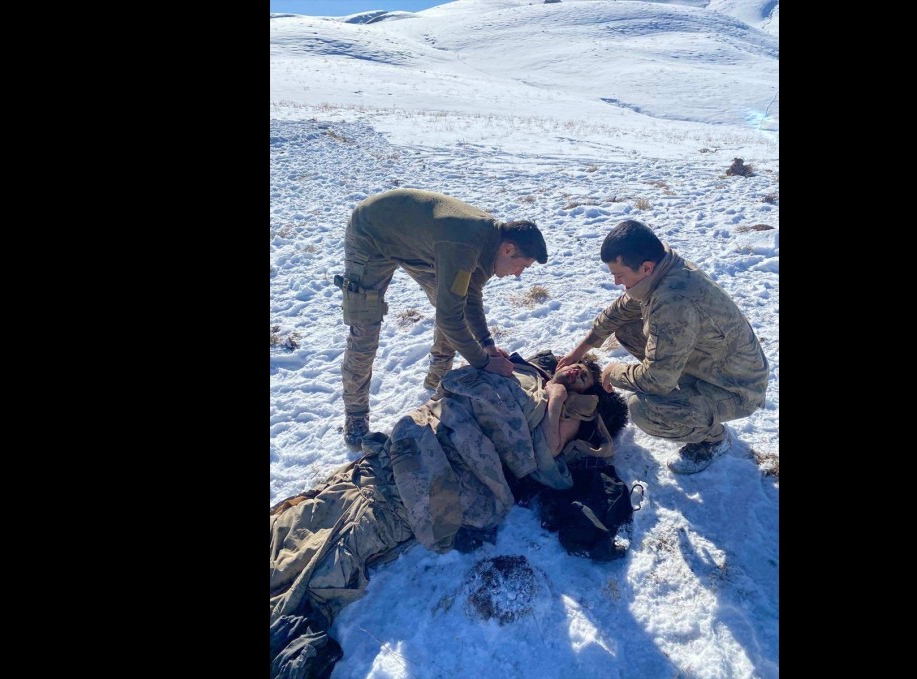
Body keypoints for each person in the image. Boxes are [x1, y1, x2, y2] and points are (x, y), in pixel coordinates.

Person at [270, 353, 626, 676]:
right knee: (316, 510)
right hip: (422, 432)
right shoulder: (523, 370)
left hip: (450, 464)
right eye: (580, 367)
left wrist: (559, 393)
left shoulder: (574, 409)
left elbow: (545, 450)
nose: (579, 373)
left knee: (356, 529)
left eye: (585, 379)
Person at [336, 188, 548, 447]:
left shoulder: (490, 245)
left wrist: (487, 344)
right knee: (365, 328)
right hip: (371, 234)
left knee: (450, 303)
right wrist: (483, 363)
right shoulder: (465, 245)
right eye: (521, 266)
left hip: (417, 245)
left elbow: (468, 297)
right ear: (508, 249)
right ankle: (356, 415)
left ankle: (438, 380)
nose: (518, 274)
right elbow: (450, 320)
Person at [556, 220, 769, 474]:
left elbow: (658, 381)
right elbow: (622, 309)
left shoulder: (672, 301)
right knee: (625, 327)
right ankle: (692, 399)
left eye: (620, 275)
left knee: (643, 409)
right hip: (711, 364)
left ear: (645, 267)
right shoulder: (662, 269)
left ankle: (713, 439)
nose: (615, 282)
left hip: (737, 389)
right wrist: (582, 347)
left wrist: (614, 372)